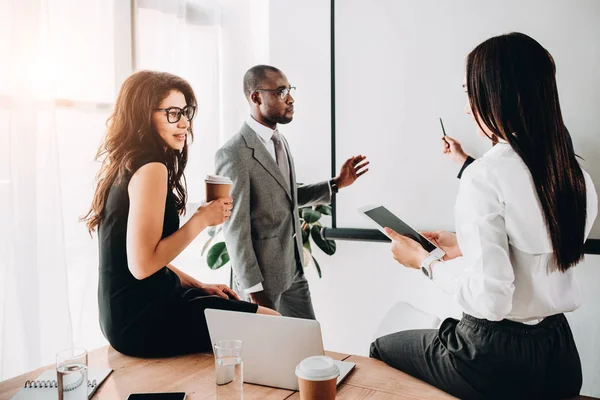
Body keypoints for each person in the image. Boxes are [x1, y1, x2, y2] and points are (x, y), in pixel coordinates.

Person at [369, 33, 598, 399]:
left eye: (469, 92)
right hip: (560, 358)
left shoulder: (485, 175)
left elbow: (491, 301)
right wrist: (463, 246)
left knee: (382, 347)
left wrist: (425, 262)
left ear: (497, 94)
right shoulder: (575, 175)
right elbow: (536, 247)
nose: (466, 108)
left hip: (494, 360)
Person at [82, 71, 279, 358]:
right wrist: (201, 219)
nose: (185, 122)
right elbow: (142, 265)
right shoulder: (151, 168)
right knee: (273, 323)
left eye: (186, 112)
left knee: (260, 318)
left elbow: (141, 256)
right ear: (143, 115)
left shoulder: (126, 164)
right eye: (173, 113)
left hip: (122, 316)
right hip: (142, 321)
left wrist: (200, 285)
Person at [215, 65, 369, 319]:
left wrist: (336, 183)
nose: (290, 98)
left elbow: (287, 197)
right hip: (261, 281)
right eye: (280, 91)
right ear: (256, 97)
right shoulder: (234, 153)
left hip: (292, 269)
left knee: (307, 344)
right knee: (265, 353)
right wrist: (255, 291)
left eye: (289, 89)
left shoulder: (280, 141)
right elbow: (235, 229)